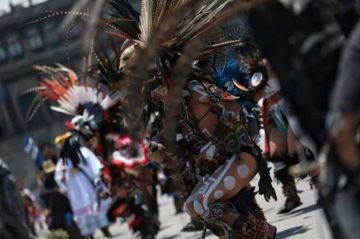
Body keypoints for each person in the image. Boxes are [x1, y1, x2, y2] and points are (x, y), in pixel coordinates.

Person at [55, 140, 112, 238]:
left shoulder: (83, 152)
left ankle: (106, 234)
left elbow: (96, 166)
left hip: (90, 189)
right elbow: (59, 179)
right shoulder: (62, 161)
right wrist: (64, 174)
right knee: (85, 223)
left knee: (99, 215)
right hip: (77, 196)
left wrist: (98, 180)